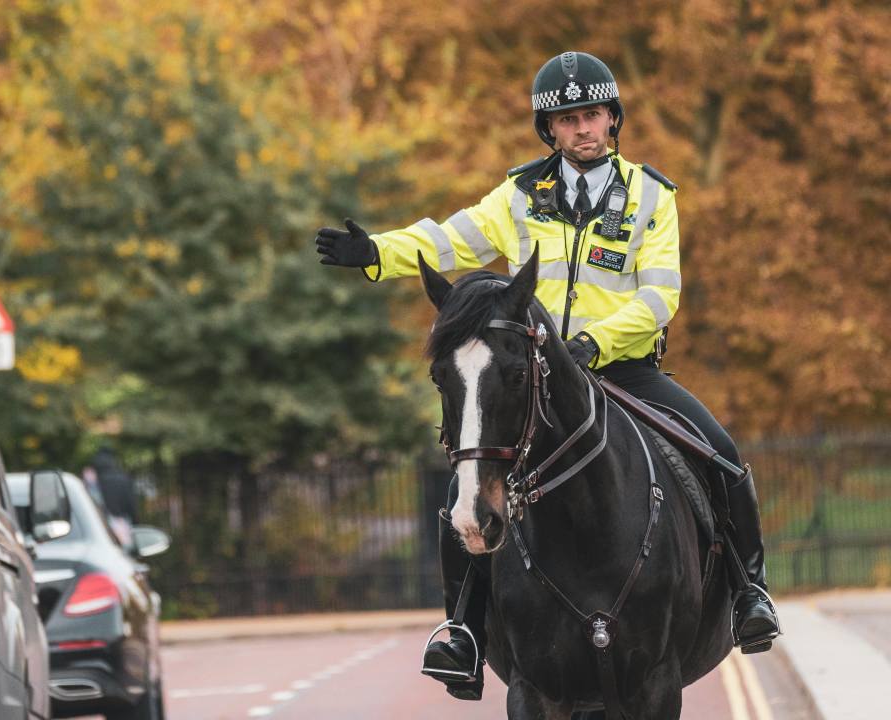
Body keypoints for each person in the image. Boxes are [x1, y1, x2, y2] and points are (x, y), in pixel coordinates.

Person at [315, 51, 780, 701]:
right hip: (532, 376)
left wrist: (594, 341)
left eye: (593, 115)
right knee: (466, 490)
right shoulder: (519, 195)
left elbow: (658, 296)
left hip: (623, 370)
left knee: (723, 456)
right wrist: (376, 253)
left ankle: (749, 594)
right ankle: (463, 632)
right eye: (567, 120)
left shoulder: (652, 195)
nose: (582, 128)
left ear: (613, 120)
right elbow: (451, 242)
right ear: (549, 131)